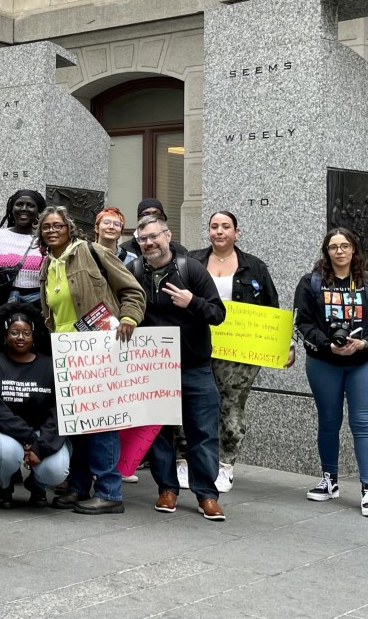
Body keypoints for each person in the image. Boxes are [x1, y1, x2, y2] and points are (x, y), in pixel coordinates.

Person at [37, 206, 145, 514]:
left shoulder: (91, 251)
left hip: (101, 349)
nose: (52, 230)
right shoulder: (47, 265)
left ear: (69, 228)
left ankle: (109, 492)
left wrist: (129, 319)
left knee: (101, 422)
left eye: (58, 225)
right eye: (46, 227)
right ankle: (79, 487)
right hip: (68, 354)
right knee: (77, 423)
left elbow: (132, 290)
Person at [129, 215, 228, 521]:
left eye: (154, 237)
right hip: (155, 369)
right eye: (143, 239)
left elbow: (217, 313)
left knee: (203, 433)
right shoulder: (132, 272)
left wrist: (192, 301)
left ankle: (207, 495)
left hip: (195, 368)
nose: (149, 243)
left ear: (168, 236)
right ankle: (167, 489)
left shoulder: (191, 269)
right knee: (158, 434)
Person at [187, 211, 289, 493]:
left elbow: (272, 309)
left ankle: (225, 464)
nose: (219, 232)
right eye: (214, 226)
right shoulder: (192, 261)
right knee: (188, 402)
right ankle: (184, 460)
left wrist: (285, 346)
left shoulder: (254, 267)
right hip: (197, 344)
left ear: (237, 232)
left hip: (239, 352)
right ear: (208, 231)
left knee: (230, 406)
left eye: (226, 227)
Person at [295, 227, 368, 518]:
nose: (339, 251)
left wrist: (363, 342)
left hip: (364, 361)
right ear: (326, 252)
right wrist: (328, 345)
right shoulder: (310, 283)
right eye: (333, 246)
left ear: (353, 250)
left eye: (344, 245)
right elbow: (303, 323)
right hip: (324, 361)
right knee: (328, 421)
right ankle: (329, 480)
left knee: (363, 422)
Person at [0, 304, 70, 509]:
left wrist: (41, 444)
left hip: (42, 430)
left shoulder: (50, 365)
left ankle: (37, 485)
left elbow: (58, 411)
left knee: (56, 470)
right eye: (14, 332)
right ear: (5, 335)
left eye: (26, 333)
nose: (20, 337)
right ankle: (5, 485)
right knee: (6, 455)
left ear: (34, 336)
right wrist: (30, 439)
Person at [0, 190, 47, 305]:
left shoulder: (45, 240)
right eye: (19, 204)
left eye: (31, 205)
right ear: (11, 209)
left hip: (36, 306)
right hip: (0, 304)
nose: (24, 208)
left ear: (38, 211)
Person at [118, 199, 188, 259]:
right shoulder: (124, 252)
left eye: (156, 213)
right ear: (139, 219)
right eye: (146, 214)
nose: (151, 217)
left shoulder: (180, 252)